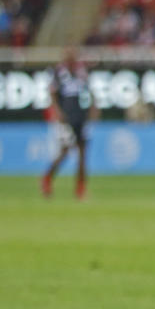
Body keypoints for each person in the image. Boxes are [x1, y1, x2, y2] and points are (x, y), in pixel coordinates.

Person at [41, 49, 98, 199]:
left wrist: (93, 108)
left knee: (83, 153)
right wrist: (57, 111)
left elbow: (91, 91)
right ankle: (47, 177)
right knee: (65, 151)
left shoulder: (82, 72)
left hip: (81, 115)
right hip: (66, 117)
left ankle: (80, 188)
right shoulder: (59, 72)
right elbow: (52, 92)